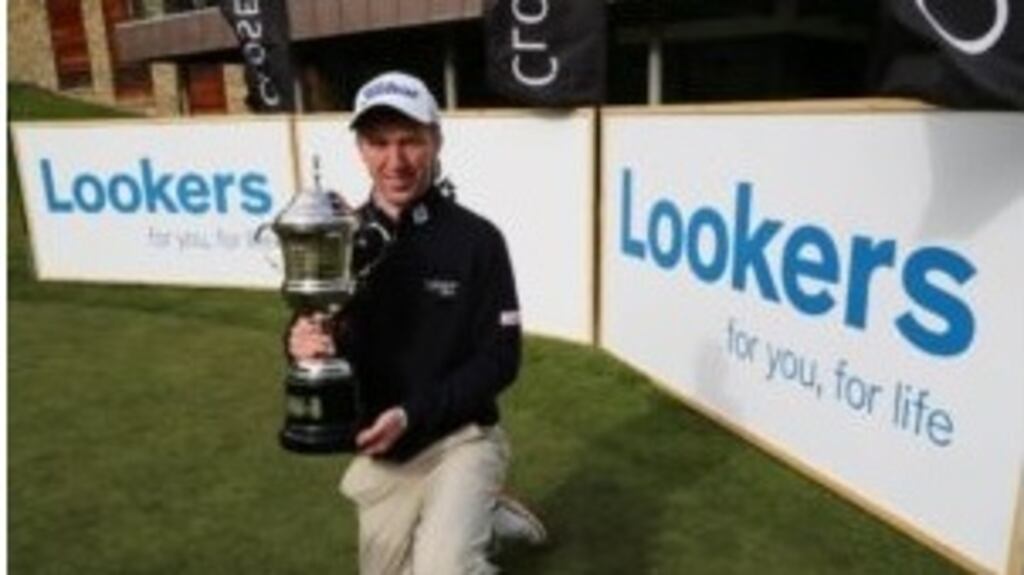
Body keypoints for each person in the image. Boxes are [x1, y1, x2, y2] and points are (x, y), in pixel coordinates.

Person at [288, 71, 547, 574]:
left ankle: (471, 507)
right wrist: (301, 343)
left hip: (461, 436)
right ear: (361, 149)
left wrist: (413, 413)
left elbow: (501, 358)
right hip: (386, 453)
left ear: (436, 140)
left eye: (410, 141)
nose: (396, 161)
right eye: (378, 143)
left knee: (442, 570)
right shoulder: (339, 236)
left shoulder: (478, 240)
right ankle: (487, 517)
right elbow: (320, 321)